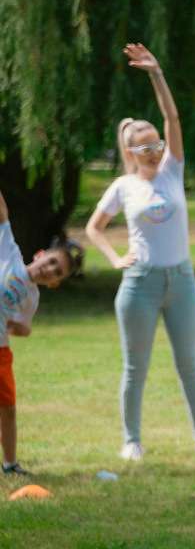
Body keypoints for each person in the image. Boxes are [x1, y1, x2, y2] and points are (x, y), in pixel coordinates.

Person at [85, 42, 195, 461]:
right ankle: (131, 441)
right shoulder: (123, 187)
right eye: (145, 147)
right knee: (136, 368)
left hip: (182, 281)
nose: (154, 150)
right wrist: (115, 259)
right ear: (130, 152)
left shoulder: (173, 170)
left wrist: (155, 73)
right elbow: (95, 228)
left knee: (190, 363)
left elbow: (172, 117)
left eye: (157, 144)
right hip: (140, 285)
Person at [0, 189, 82, 475]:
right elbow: (3, 215)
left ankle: (10, 464)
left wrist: (16, 327)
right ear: (40, 254)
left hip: (0, 350)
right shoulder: (8, 252)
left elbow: (24, 327)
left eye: (56, 272)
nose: (49, 269)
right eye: (50, 261)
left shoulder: (32, 298)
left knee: (8, 407)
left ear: (55, 284)